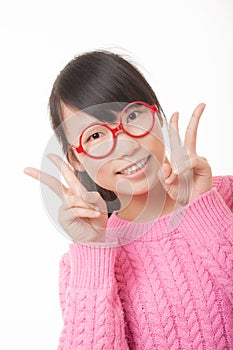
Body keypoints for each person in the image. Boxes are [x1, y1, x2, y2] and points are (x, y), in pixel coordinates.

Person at [24, 50, 233, 349]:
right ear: (77, 159)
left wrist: (204, 212)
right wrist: (95, 248)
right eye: (95, 136)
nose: (123, 145)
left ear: (157, 114)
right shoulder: (80, 265)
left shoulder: (225, 200)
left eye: (132, 116)